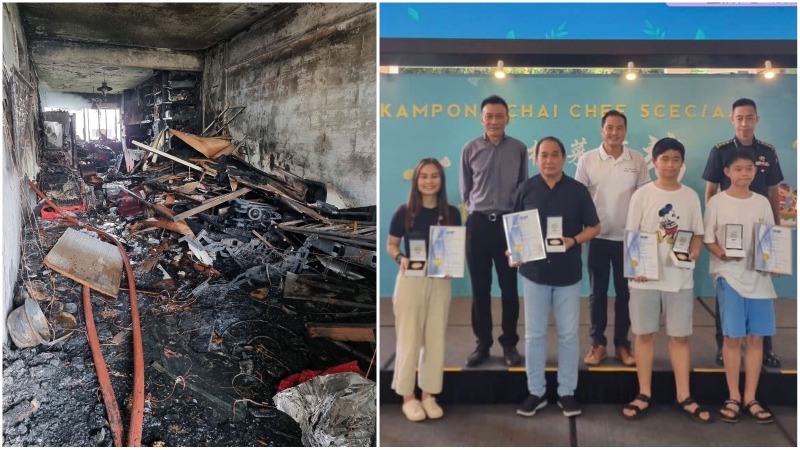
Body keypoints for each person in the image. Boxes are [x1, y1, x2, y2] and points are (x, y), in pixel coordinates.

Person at [622, 138, 712, 423]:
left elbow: (697, 233)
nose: (670, 164)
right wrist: (635, 265)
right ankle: (644, 393)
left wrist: (694, 251)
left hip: (679, 280)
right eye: (665, 159)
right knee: (644, 335)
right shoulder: (642, 195)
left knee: (679, 337)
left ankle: (684, 395)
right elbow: (631, 234)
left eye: (676, 159)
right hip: (644, 278)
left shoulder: (689, 196)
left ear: (681, 163)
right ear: (655, 162)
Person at [512, 137, 600, 418]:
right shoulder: (526, 189)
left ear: (564, 158)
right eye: (544, 155)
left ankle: (566, 392)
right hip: (534, 274)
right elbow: (514, 229)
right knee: (534, 335)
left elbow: (595, 228)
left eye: (554, 155)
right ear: (535, 159)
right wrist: (513, 250)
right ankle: (535, 391)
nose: (549, 160)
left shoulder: (577, 191)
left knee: (568, 335)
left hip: (567, 274)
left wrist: (573, 240)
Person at [702, 98, 784, 368]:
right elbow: (711, 190)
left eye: (750, 118)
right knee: (728, 294)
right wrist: (713, 223)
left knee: (762, 292)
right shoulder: (720, 150)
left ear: (757, 119)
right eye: (740, 118)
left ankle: (765, 349)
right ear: (732, 119)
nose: (745, 123)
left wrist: (775, 230)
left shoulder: (768, 152)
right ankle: (723, 347)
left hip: (759, 227)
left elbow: (773, 191)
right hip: (729, 230)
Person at [703, 147, 776, 425]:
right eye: (738, 169)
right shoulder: (716, 202)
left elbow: (770, 240)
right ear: (727, 173)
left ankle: (751, 397)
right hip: (729, 276)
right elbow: (709, 239)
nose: (744, 173)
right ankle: (733, 396)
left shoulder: (761, 203)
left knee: (757, 338)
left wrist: (774, 261)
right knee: (732, 339)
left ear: (755, 171)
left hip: (760, 279)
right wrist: (723, 255)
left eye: (749, 169)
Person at [387, 158, 462, 422]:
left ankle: (429, 394)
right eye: (424, 176)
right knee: (408, 340)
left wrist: (453, 264)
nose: (429, 181)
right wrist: (401, 259)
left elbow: (454, 245)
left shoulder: (452, 213)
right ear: (416, 180)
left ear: (441, 181)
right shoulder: (404, 212)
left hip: (440, 282)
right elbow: (392, 245)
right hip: (411, 280)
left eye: (434, 176)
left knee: (435, 339)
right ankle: (408, 397)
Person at [575, 110, 650, 367]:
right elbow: (580, 199)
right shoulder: (587, 160)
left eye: (619, 128)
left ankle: (622, 344)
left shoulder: (638, 160)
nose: (614, 132)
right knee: (597, 293)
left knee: (624, 295)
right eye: (609, 128)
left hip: (628, 240)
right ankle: (598, 344)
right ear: (601, 130)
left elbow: (644, 200)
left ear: (625, 131)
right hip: (597, 237)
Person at [459, 95, 528, 367]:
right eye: (489, 116)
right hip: (477, 224)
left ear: (507, 118)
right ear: (481, 118)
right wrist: (477, 209)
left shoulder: (519, 149)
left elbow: (522, 188)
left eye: (500, 116)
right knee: (480, 289)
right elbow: (466, 190)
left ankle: (509, 344)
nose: (494, 121)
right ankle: (482, 344)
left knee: (510, 288)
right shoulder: (470, 148)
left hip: (509, 224)